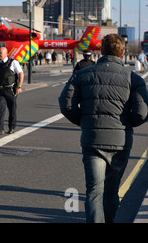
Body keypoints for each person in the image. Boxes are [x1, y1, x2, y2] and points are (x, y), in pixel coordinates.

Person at [59, 34, 148, 223]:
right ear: (123, 53)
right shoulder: (134, 79)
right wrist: (126, 124)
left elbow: (66, 104)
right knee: (112, 191)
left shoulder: (81, 75)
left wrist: (84, 122)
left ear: (101, 51)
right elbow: (142, 112)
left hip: (92, 139)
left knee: (94, 191)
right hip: (120, 141)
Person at [0, 46, 24, 135]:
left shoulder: (13, 63)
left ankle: (12, 128)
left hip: (11, 90)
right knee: (0, 109)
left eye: (0, 53)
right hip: (0, 90)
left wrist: (19, 87)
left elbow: (21, 74)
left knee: (12, 109)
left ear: (6, 54)